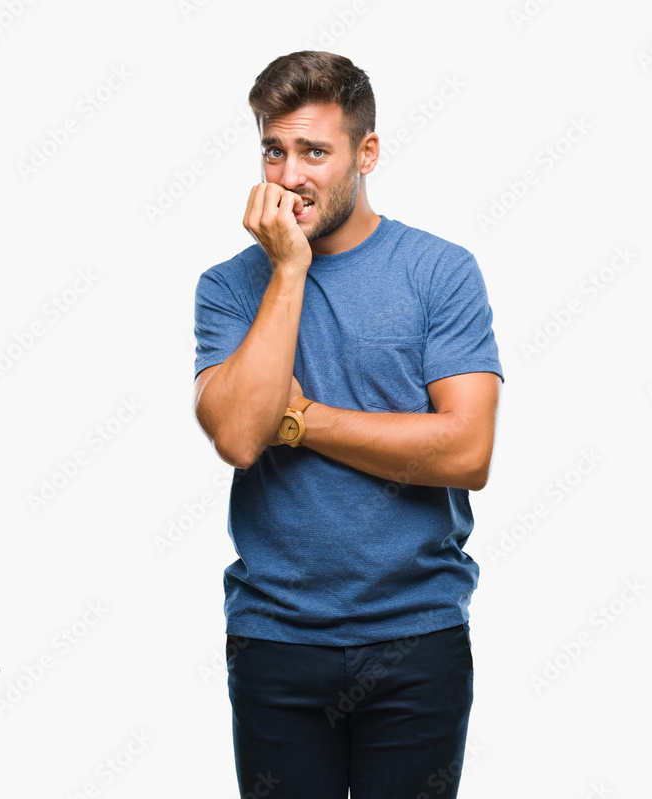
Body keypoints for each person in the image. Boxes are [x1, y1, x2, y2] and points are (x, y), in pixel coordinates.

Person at [191, 50, 504, 798]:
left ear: (366, 153)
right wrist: (288, 269)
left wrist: (302, 421)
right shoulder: (229, 286)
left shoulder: (440, 271)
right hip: (274, 637)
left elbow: (467, 451)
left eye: (314, 152)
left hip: (417, 636)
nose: (289, 175)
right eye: (274, 151)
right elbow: (238, 436)